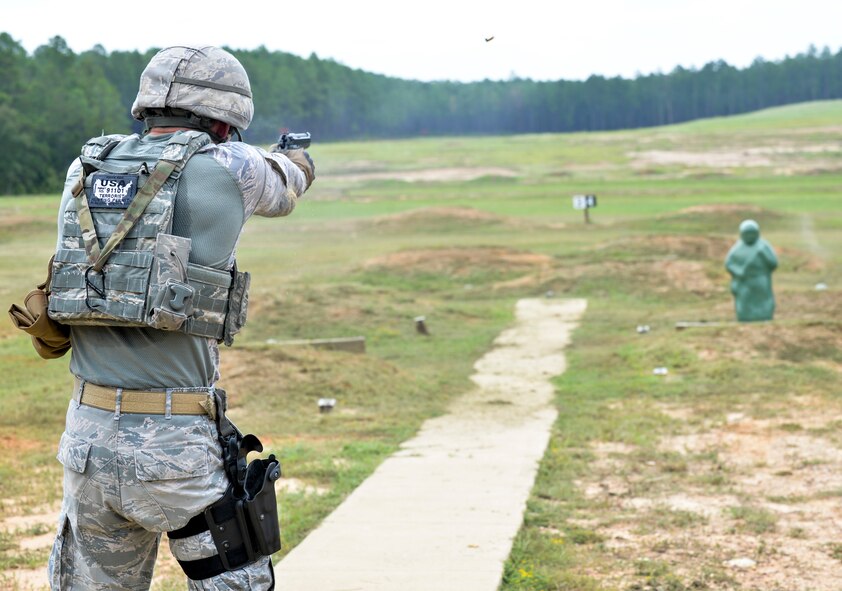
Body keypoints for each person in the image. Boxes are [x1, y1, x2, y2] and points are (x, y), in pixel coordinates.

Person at [46, 45, 314, 590]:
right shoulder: (231, 165)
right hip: (176, 453)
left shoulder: (86, 166)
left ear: (146, 107)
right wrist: (296, 159)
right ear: (225, 119)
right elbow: (287, 185)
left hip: (86, 438)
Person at [725, 219, 778, 322]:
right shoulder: (737, 249)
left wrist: (764, 255)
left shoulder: (763, 247)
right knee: (744, 301)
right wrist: (738, 272)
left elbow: (773, 263)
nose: (749, 237)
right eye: (747, 234)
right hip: (745, 281)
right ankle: (745, 317)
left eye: (752, 234)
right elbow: (729, 264)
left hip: (761, 279)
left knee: (764, 300)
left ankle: (764, 316)